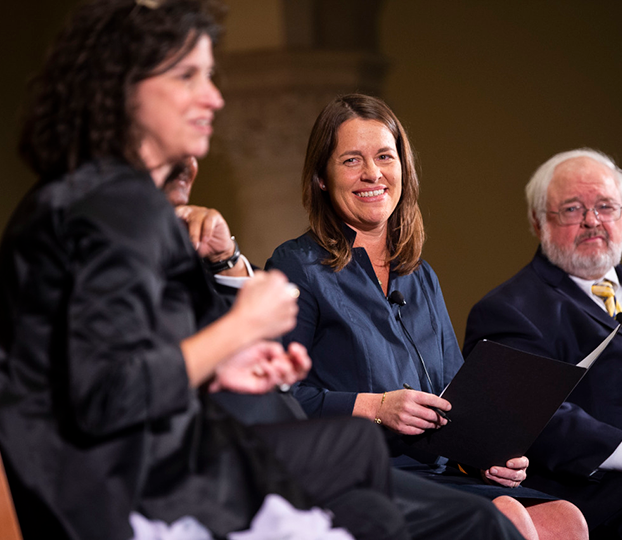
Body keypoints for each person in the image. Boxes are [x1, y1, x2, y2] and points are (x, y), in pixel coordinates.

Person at [0, 2, 427, 539]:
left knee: (366, 478)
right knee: (376, 501)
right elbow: (103, 397)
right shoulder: (108, 209)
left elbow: (113, 358)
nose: (215, 97)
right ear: (121, 87)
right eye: (187, 76)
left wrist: (226, 365)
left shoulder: (108, 197)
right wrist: (240, 327)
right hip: (127, 492)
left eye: (209, 75)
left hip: (147, 462)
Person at [266, 94, 589, 540]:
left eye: (384, 156)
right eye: (351, 160)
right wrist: (376, 407)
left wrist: (486, 454)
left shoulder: (419, 275)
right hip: (361, 475)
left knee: (564, 520)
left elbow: (458, 397)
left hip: (439, 473)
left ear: (404, 168)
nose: (372, 174)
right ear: (321, 178)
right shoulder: (297, 267)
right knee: (508, 521)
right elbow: (277, 401)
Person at [463, 148, 622, 539]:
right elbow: (531, 417)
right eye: (571, 209)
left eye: (605, 206)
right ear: (537, 221)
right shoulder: (508, 310)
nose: (591, 221)